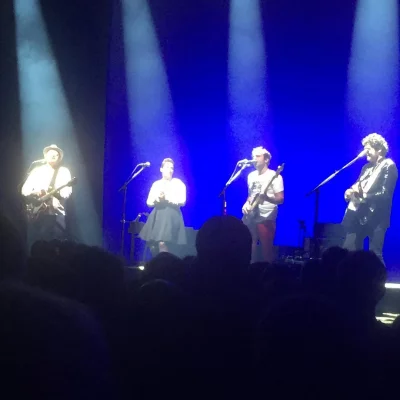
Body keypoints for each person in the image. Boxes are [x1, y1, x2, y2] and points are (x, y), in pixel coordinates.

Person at [342, 133, 398, 265]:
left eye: (368, 149)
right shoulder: (366, 168)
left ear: (379, 150)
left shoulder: (388, 165)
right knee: (349, 251)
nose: (365, 152)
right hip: (359, 215)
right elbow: (358, 185)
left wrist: (364, 196)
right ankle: (352, 277)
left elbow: (385, 194)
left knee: (375, 254)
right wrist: (349, 192)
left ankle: (379, 278)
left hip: (377, 217)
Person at [21, 144, 73, 250]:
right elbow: (24, 190)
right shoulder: (37, 170)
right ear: (45, 156)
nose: (53, 155)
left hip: (55, 214)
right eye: (50, 153)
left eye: (56, 154)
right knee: (35, 243)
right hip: (36, 214)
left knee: (56, 244)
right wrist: (36, 192)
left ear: (59, 158)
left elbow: (67, 192)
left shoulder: (64, 171)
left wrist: (56, 195)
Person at [242, 146, 284, 262]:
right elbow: (251, 195)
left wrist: (266, 198)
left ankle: (267, 271)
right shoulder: (251, 176)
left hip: (266, 216)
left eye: (257, 156)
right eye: (253, 156)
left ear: (266, 159)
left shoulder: (275, 176)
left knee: (266, 249)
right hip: (251, 215)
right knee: (249, 245)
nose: (254, 159)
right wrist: (246, 204)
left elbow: (280, 199)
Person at [139, 158, 187, 256]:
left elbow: (182, 201)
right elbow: (149, 202)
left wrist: (167, 199)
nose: (170, 170)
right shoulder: (156, 184)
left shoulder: (178, 183)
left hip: (171, 216)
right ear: (161, 169)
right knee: (154, 245)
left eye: (172, 168)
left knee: (164, 243)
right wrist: (157, 199)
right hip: (157, 216)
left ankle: (165, 262)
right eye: (167, 167)